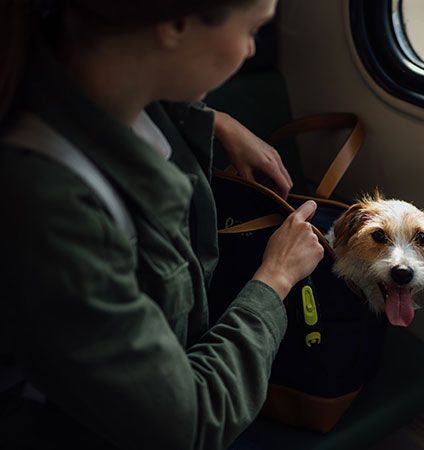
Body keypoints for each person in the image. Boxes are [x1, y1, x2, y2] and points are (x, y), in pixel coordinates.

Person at [0, 0, 325, 448]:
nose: (252, 50)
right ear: (174, 24)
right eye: (252, 29)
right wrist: (276, 278)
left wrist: (213, 122)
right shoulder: (51, 208)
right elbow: (189, 423)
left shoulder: (138, 106)